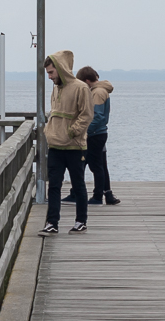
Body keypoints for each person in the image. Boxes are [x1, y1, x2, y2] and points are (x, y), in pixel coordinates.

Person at [42, 50, 93, 234]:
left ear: (61, 69)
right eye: (47, 73)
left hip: (74, 146)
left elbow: (87, 114)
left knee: (78, 184)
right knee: (54, 185)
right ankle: (52, 222)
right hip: (55, 145)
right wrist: (49, 131)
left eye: (51, 72)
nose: (49, 77)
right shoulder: (56, 87)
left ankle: (81, 220)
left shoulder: (81, 88)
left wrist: (73, 132)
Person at [75, 66, 120, 206]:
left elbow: (98, 116)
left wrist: (84, 130)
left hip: (95, 134)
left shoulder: (98, 93)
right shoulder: (100, 90)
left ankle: (96, 196)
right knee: (98, 164)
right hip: (99, 133)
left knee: (94, 165)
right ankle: (106, 194)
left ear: (87, 81)